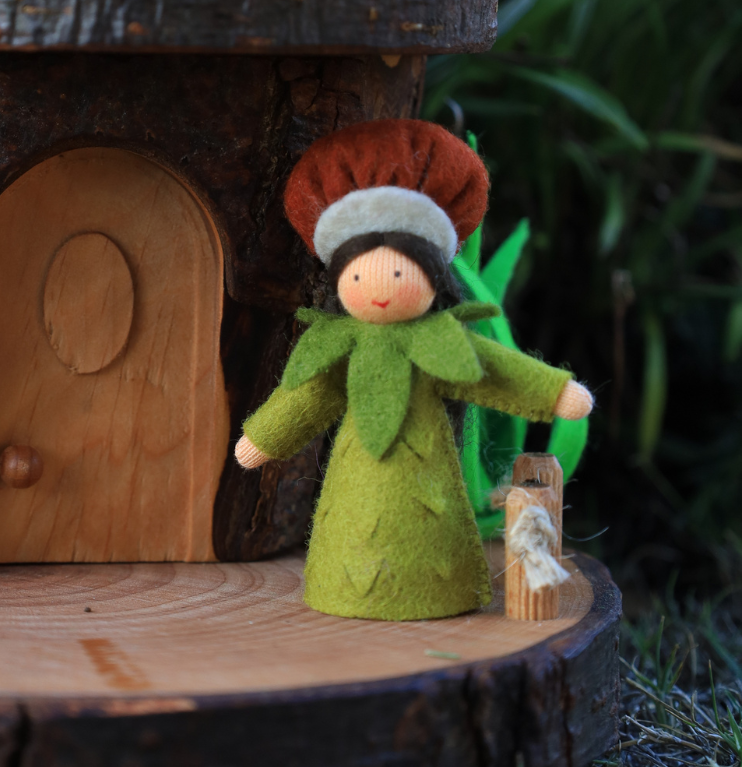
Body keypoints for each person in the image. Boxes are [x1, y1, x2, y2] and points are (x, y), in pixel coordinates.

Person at [234, 120, 593, 620]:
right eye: (358, 274)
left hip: (434, 510)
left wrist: (554, 392)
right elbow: (309, 396)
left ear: (432, 274)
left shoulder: (441, 342)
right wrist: (263, 439)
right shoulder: (340, 345)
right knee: (352, 527)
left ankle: (435, 593)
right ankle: (349, 588)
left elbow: (495, 370)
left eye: (400, 271)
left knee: (431, 530)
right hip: (347, 536)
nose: (379, 288)